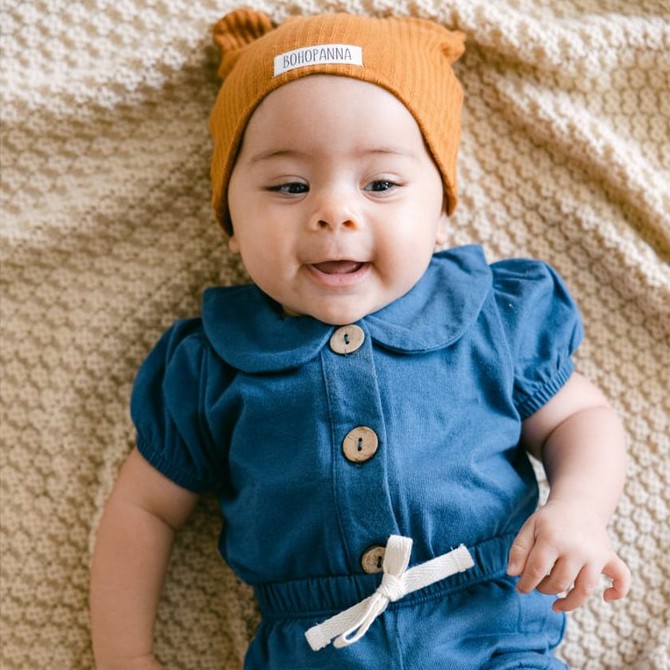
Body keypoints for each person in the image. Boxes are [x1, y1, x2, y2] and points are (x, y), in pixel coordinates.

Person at [90, 9, 631, 669]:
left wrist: (579, 509)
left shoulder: (492, 318)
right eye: (290, 186)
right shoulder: (213, 363)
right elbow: (143, 510)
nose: (335, 212)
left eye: (381, 184)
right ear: (230, 220)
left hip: (493, 639)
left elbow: (580, 418)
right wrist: (125, 655)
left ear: (439, 211)